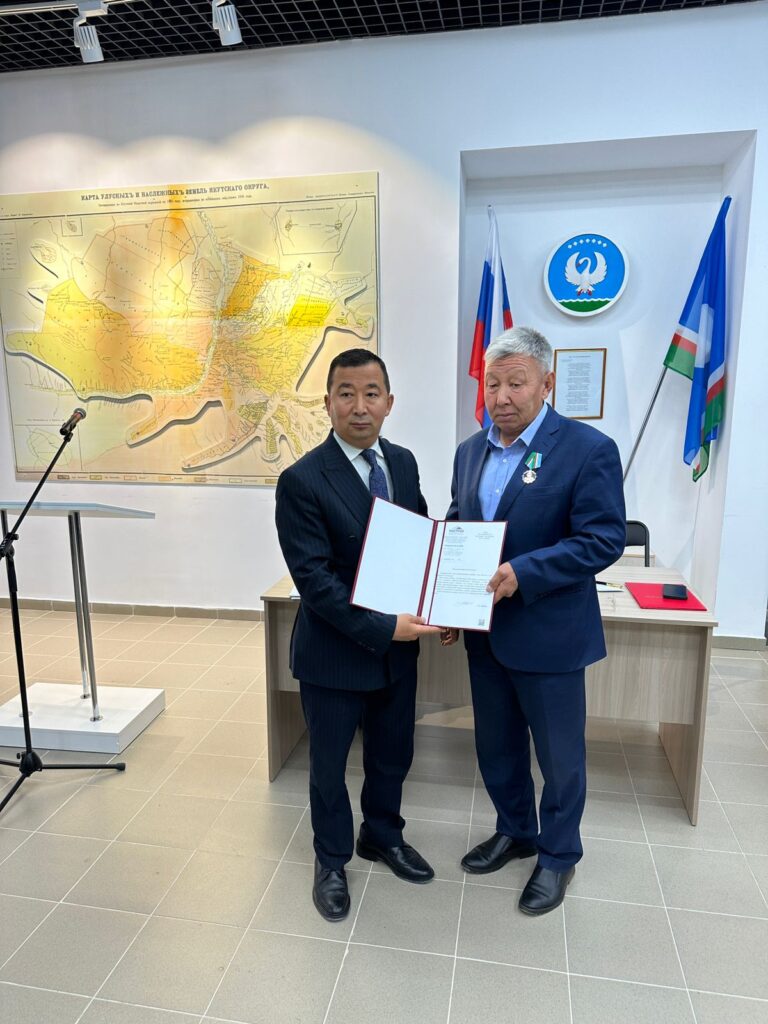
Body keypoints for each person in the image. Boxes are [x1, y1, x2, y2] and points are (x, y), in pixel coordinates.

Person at [444, 326, 626, 915]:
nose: (501, 397)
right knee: (496, 747)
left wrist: (526, 571)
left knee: (559, 758)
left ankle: (558, 856)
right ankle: (516, 830)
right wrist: (443, 595)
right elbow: (460, 524)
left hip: (549, 634)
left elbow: (603, 539)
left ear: (546, 383)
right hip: (485, 634)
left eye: (516, 383)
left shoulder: (586, 449)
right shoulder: (469, 451)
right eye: (492, 384)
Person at [275, 347, 439, 922]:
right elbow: (316, 582)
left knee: (393, 754)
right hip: (335, 654)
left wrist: (439, 603)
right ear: (327, 403)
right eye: (346, 394)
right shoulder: (301, 480)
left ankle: (383, 835)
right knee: (328, 767)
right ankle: (331, 860)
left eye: (371, 394)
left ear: (390, 402)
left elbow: (421, 541)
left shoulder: (404, 463)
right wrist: (385, 627)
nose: (360, 406)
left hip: (397, 653)